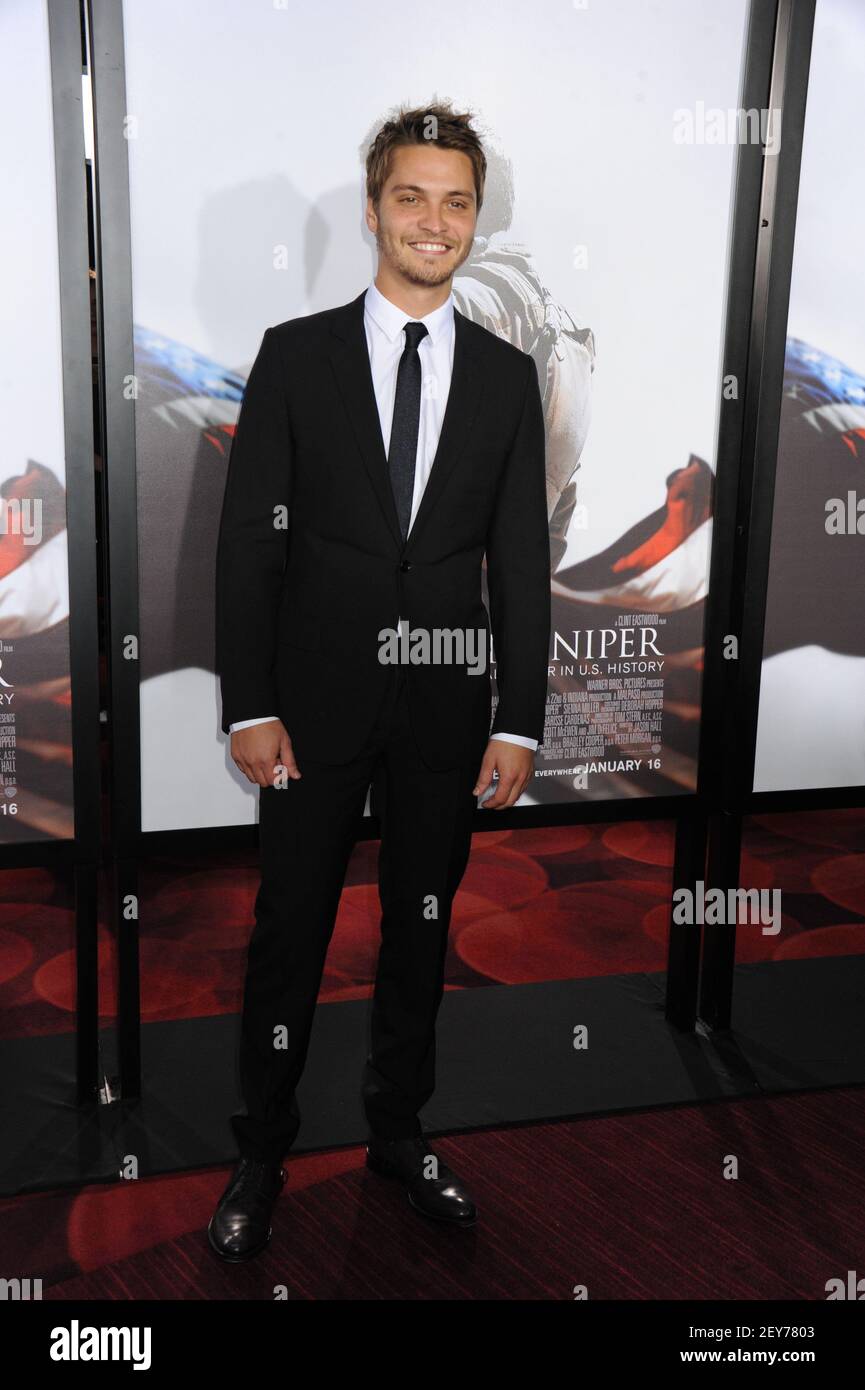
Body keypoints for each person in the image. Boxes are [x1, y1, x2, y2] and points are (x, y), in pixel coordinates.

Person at [208, 101, 550, 1261]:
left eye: (456, 201)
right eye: (412, 196)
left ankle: (398, 1137)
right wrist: (249, 702)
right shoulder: (295, 355)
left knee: (421, 925)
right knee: (289, 928)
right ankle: (261, 1147)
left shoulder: (508, 377)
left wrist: (522, 722)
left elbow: (520, 560)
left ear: (473, 220)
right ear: (372, 211)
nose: (434, 220)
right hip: (310, 709)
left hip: (448, 710)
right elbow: (250, 545)